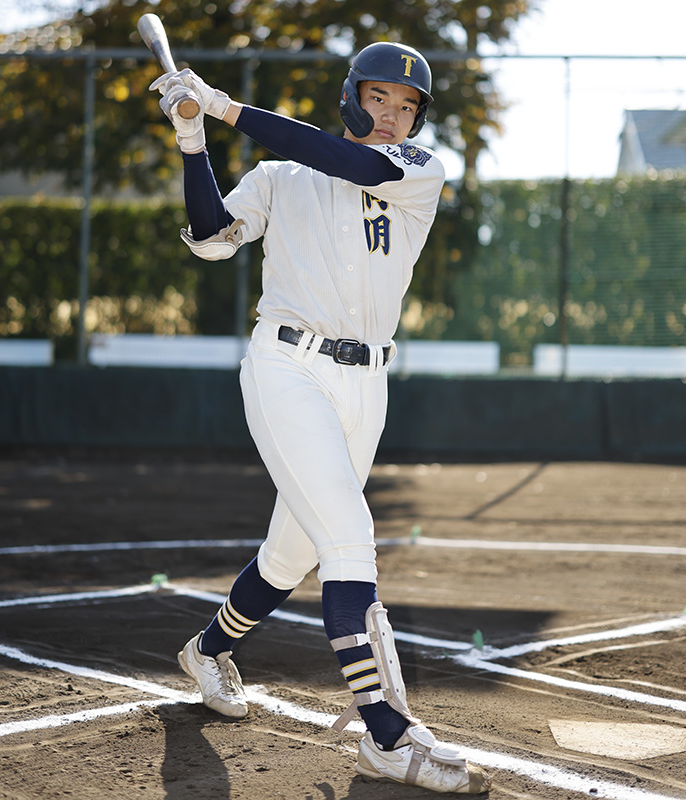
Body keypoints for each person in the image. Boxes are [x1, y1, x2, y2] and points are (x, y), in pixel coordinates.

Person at [149, 41, 491, 794]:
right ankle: (388, 736)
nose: (393, 115)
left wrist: (224, 106)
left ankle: (206, 652)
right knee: (350, 540)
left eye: (405, 105)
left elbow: (358, 167)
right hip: (287, 366)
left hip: (367, 383)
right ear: (349, 98)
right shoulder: (279, 176)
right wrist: (192, 139)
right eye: (379, 99)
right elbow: (209, 239)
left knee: (291, 554)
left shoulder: (417, 169)